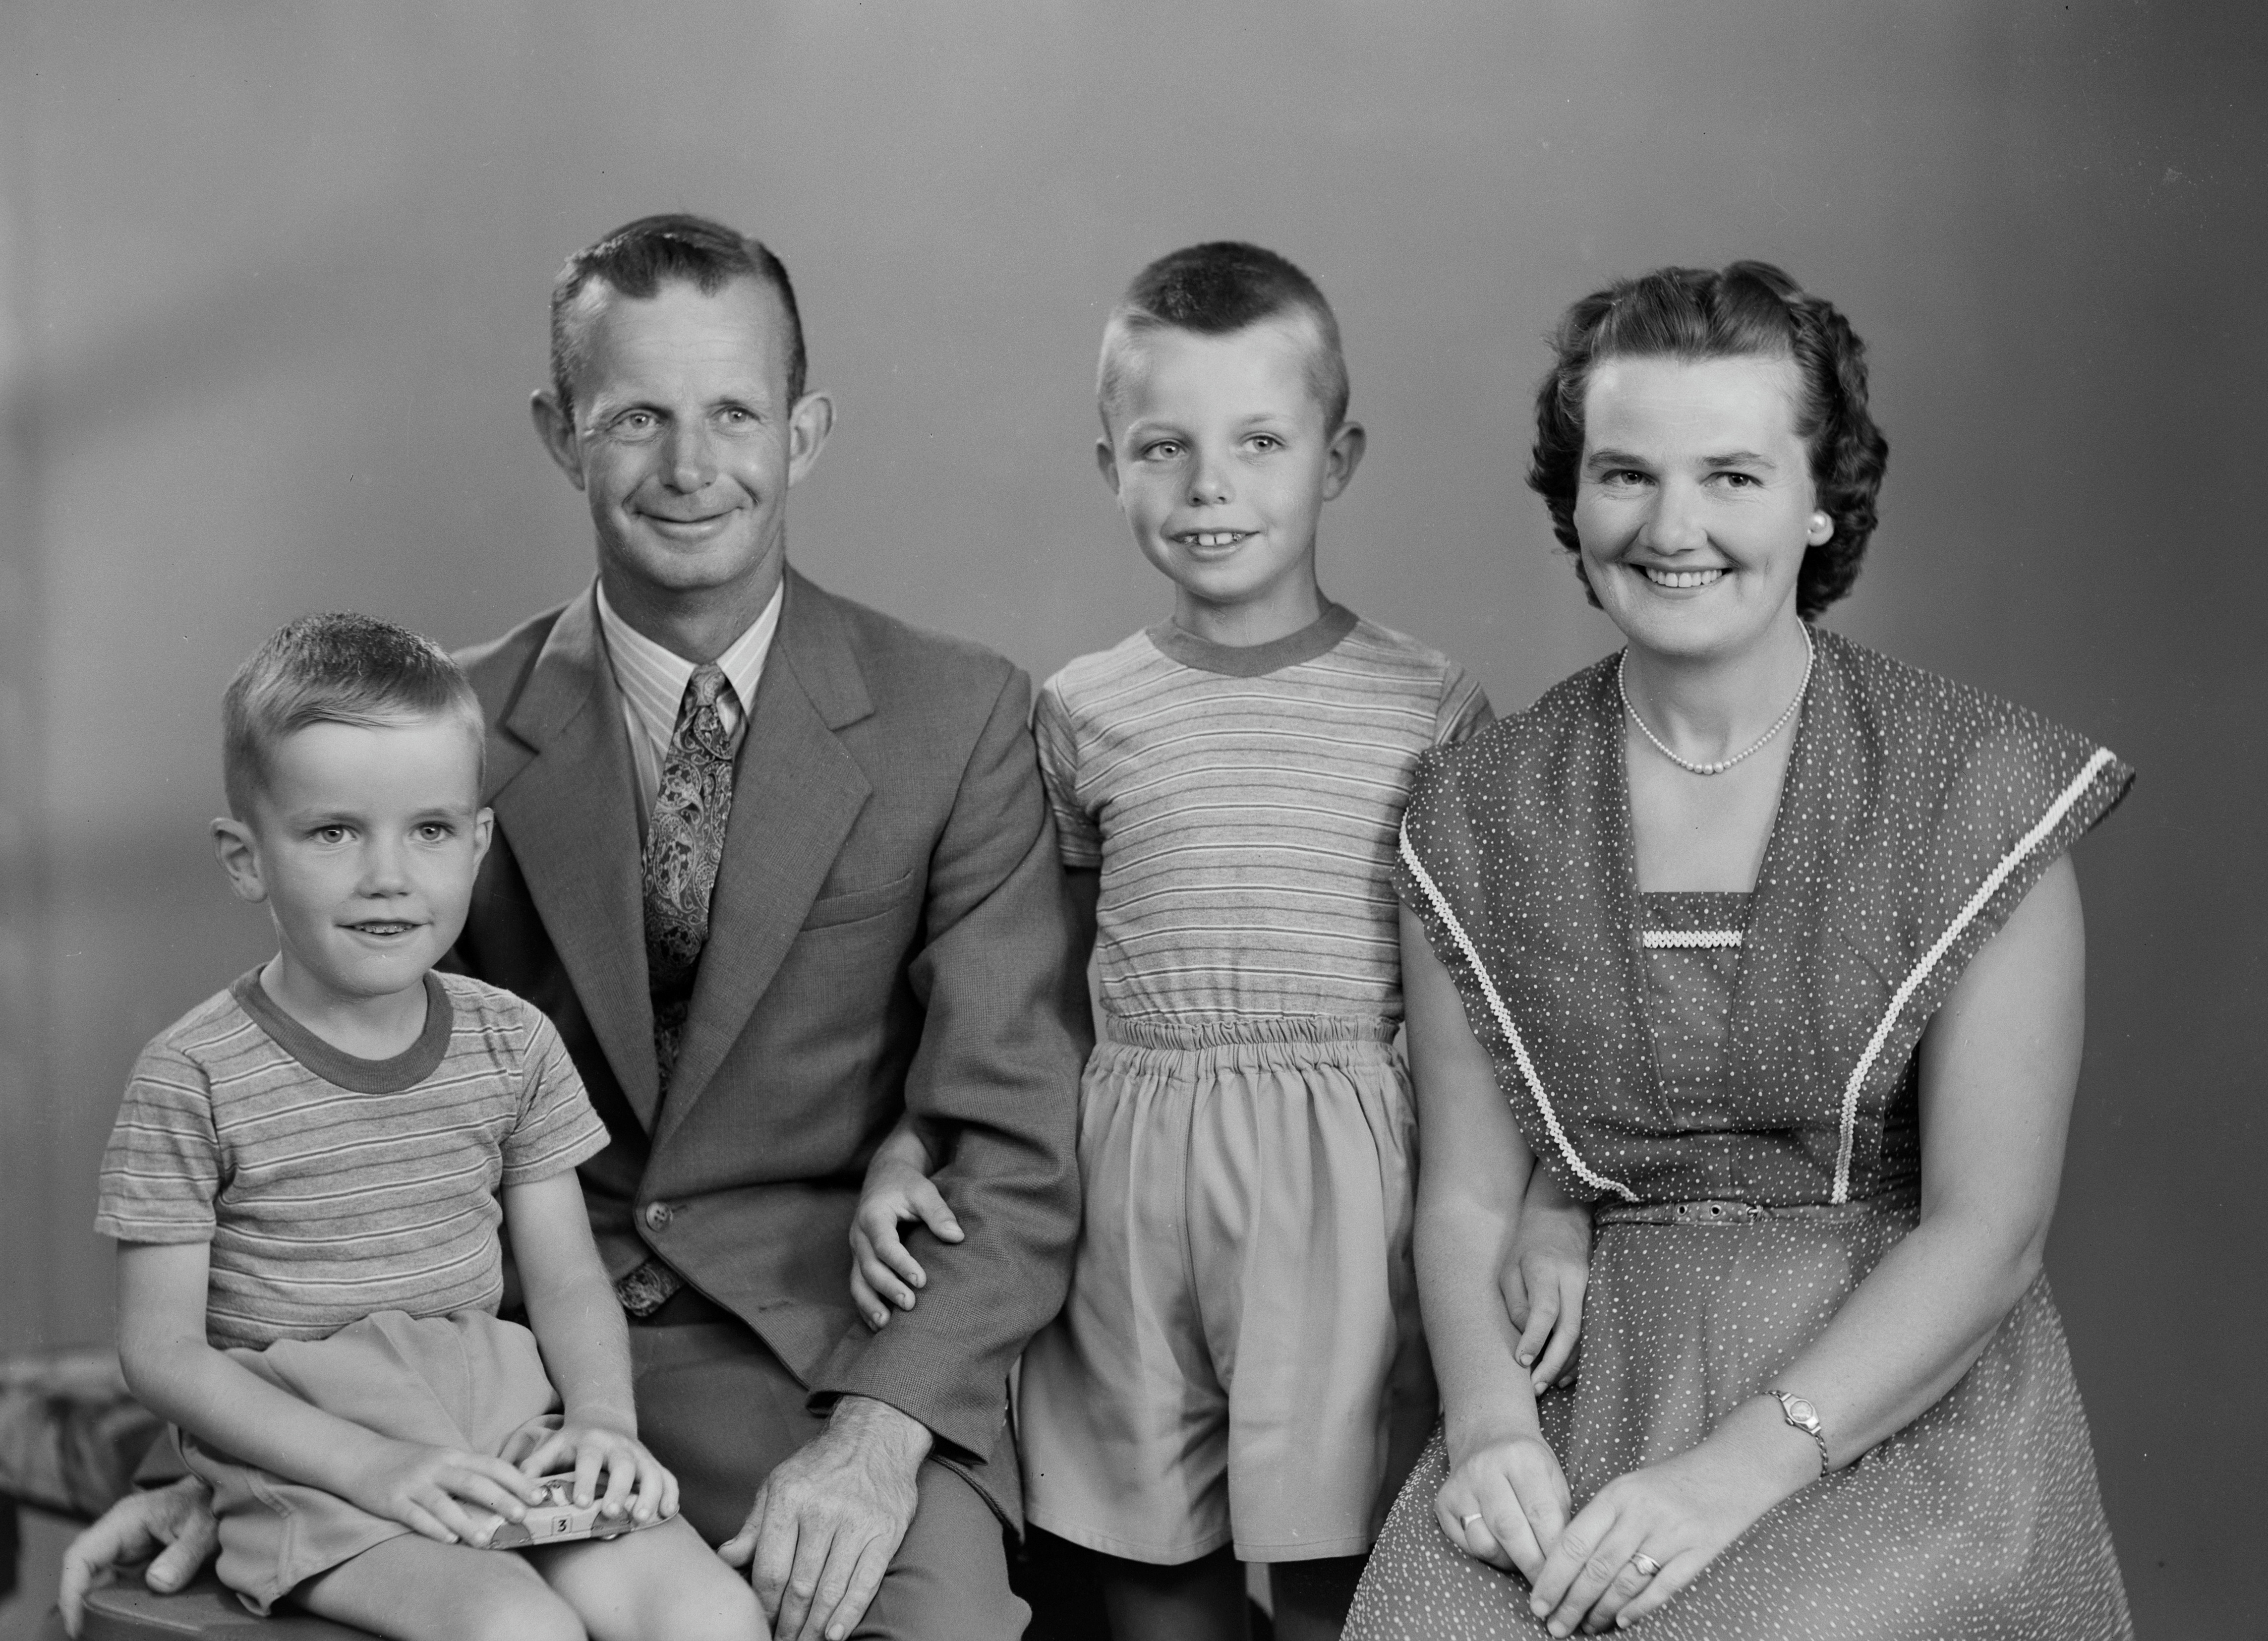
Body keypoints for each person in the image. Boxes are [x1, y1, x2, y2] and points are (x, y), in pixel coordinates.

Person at [62, 214, 1089, 1641]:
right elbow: (336, 1134)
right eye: (635, 417)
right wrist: (247, 1461)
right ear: (560, 431)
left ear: (806, 432)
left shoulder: (959, 713)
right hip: (508, 1372)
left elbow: (1019, 1142)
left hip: (822, 1354)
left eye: (734, 411)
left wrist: (882, 1434)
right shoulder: (441, 736)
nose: (688, 465)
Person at [1343, 261, 2134, 1639]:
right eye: (1626, 474)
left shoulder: (1978, 788)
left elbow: (1989, 1229)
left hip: (1890, 1405)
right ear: (1573, 503)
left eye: (1733, 476)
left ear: (1824, 498)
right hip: (1597, 1378)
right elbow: (1468, 1199)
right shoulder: (1479, 805)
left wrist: (1724, 1480)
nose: (1673, 525)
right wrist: (1486, 1431)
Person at [852, 241, 1576, 1641]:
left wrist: (1550, 1194)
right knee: (1145, 1579)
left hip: (1351, 1179)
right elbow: (1029, 985)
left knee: (1337, 1571)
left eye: (1259, 442)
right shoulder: (1085, 710)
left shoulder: (1427, 704)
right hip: (1129, 1177)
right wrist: (912, 1137)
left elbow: (1504, 1005)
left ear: (1338, 456)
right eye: (1163, 447)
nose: (1210, 486)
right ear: (1109, 462)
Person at [93, 614, 763, 1640]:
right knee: (515, 1630)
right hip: (312, 1464)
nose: (388, 874)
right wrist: (371, 1463)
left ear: (477, 844)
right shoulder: (194, 1075)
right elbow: (164, 1351)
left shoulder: (510, 1042)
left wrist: (599, 1419)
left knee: (711, 1616)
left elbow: (567, 1275)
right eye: (332, 831)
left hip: (496, 1420)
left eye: (431, 829)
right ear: (245, 857)